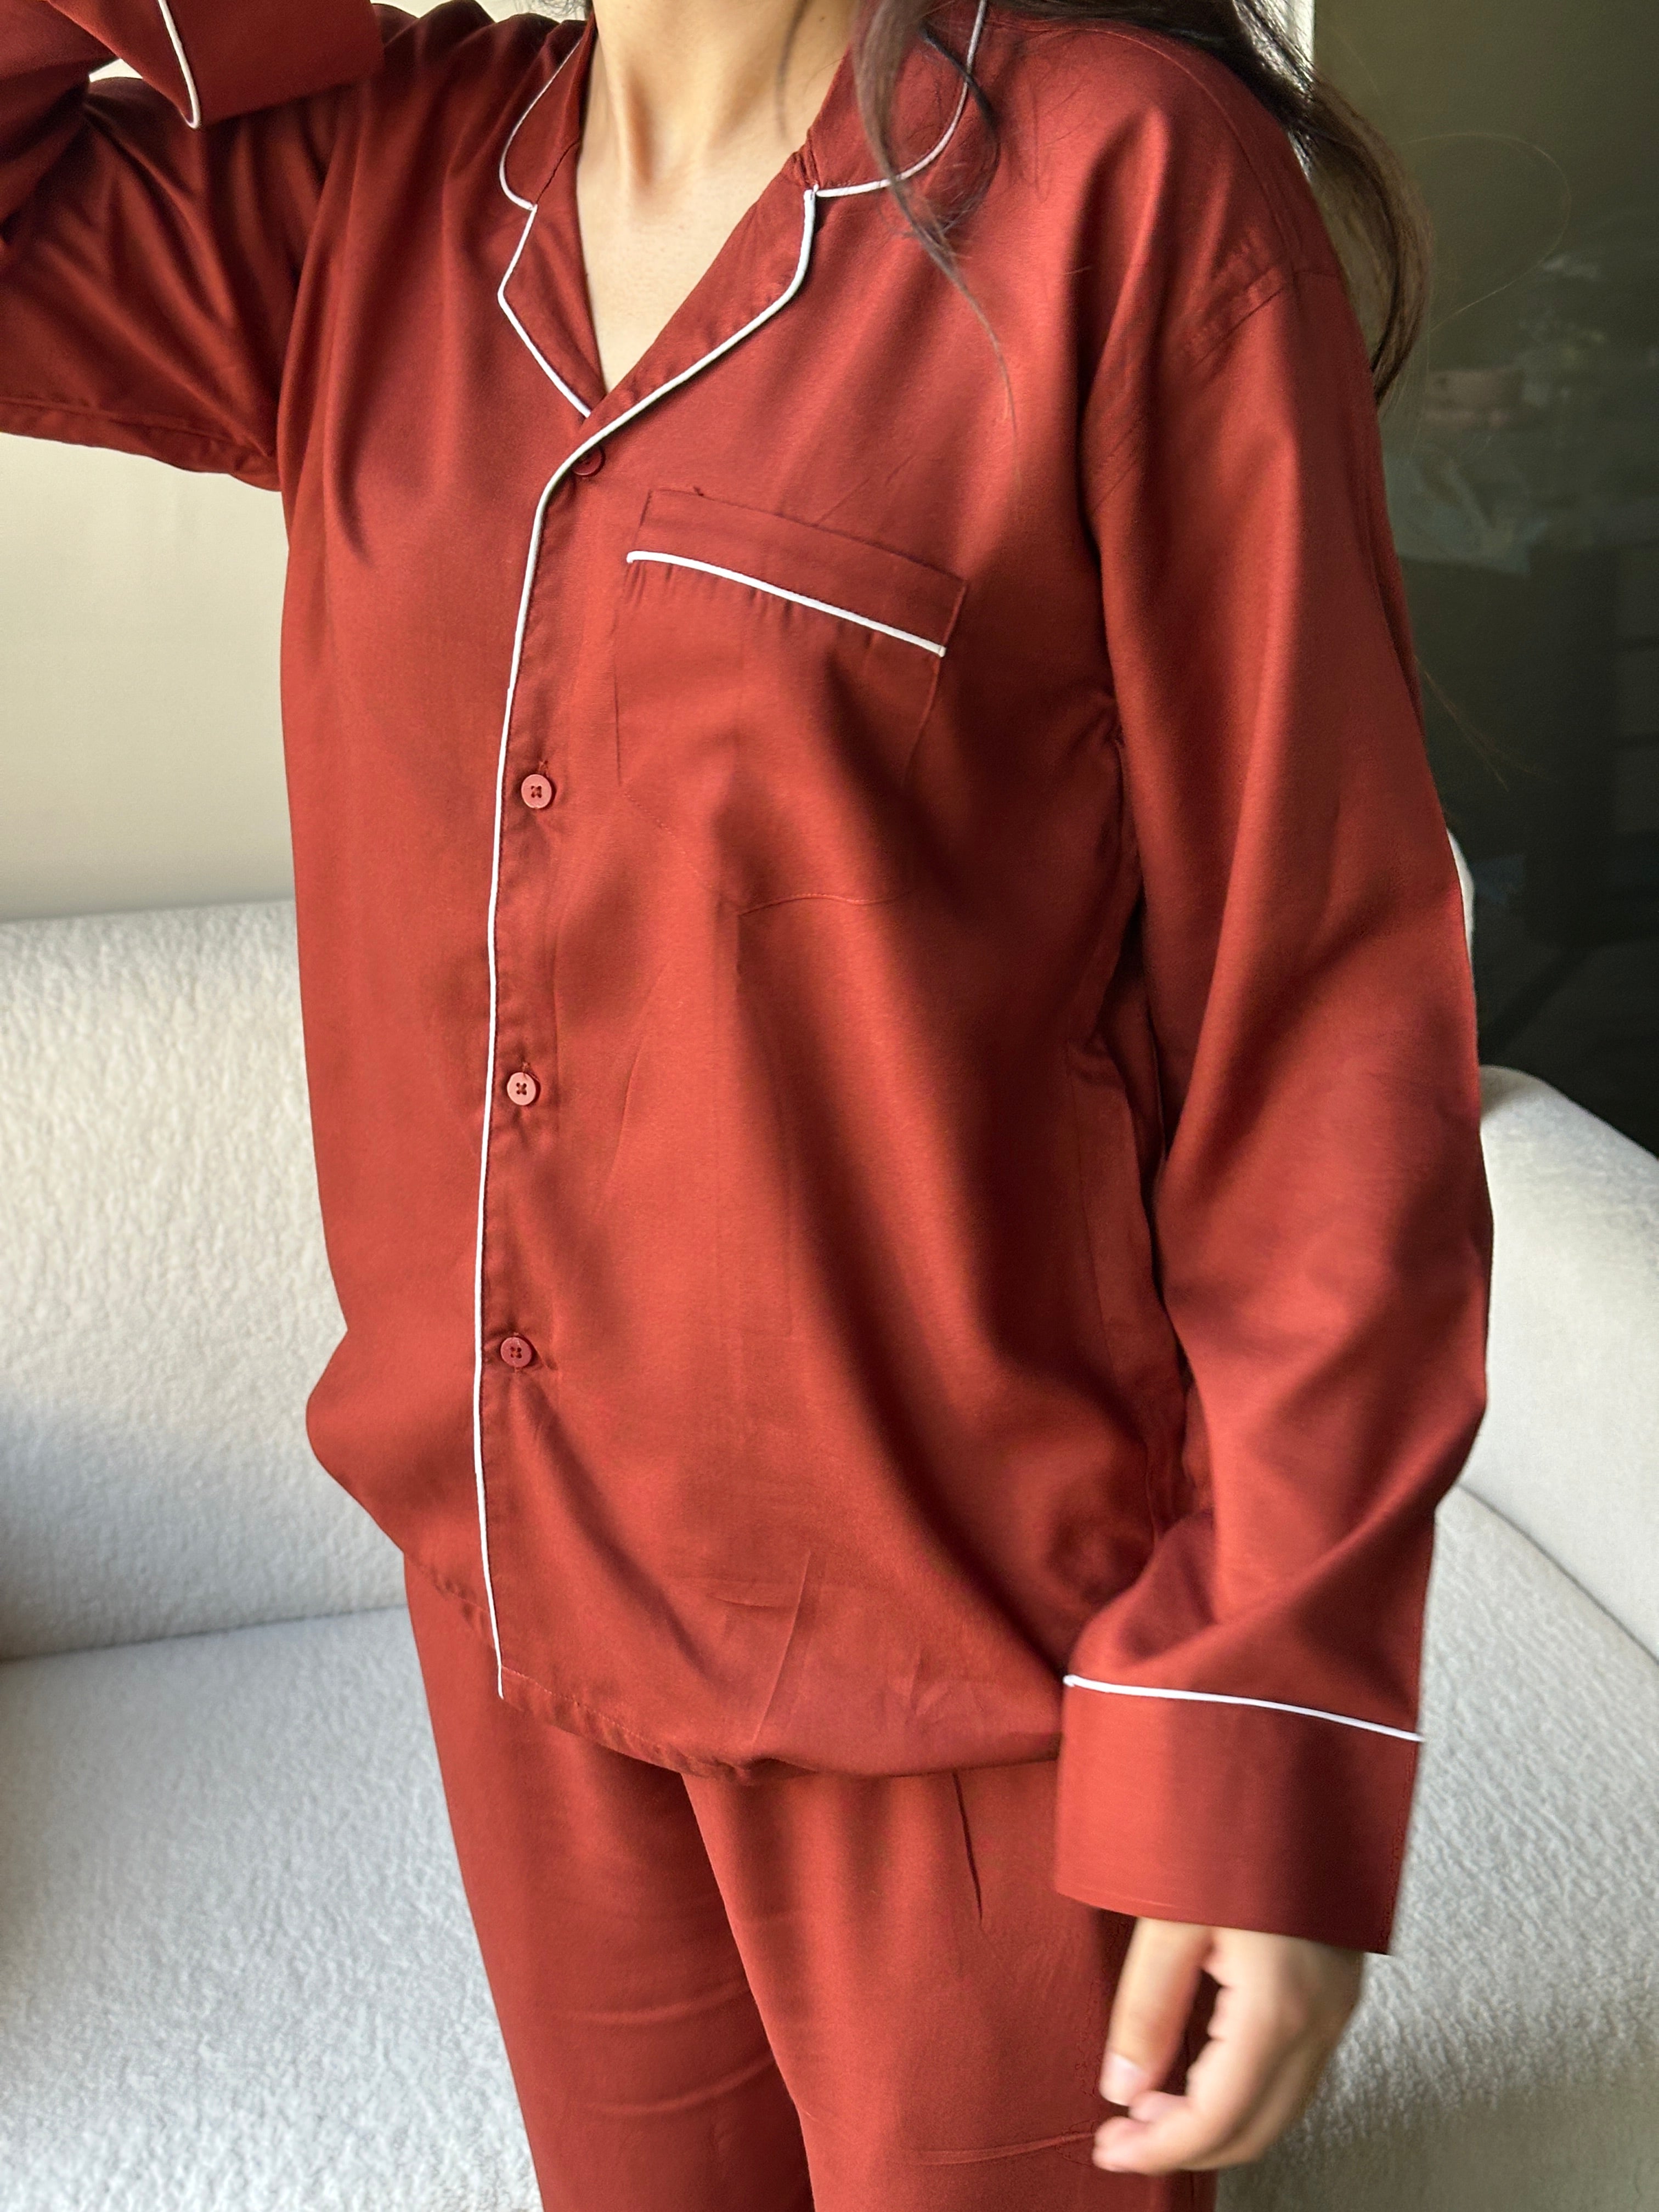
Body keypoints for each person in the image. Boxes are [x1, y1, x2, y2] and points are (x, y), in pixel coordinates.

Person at [0, 0, 1493, 2203]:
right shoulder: (377, 190)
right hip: (522, 1627)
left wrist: (1265, 1720)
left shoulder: (1124, 190)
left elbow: (1320, 1004)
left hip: (968, 1666)